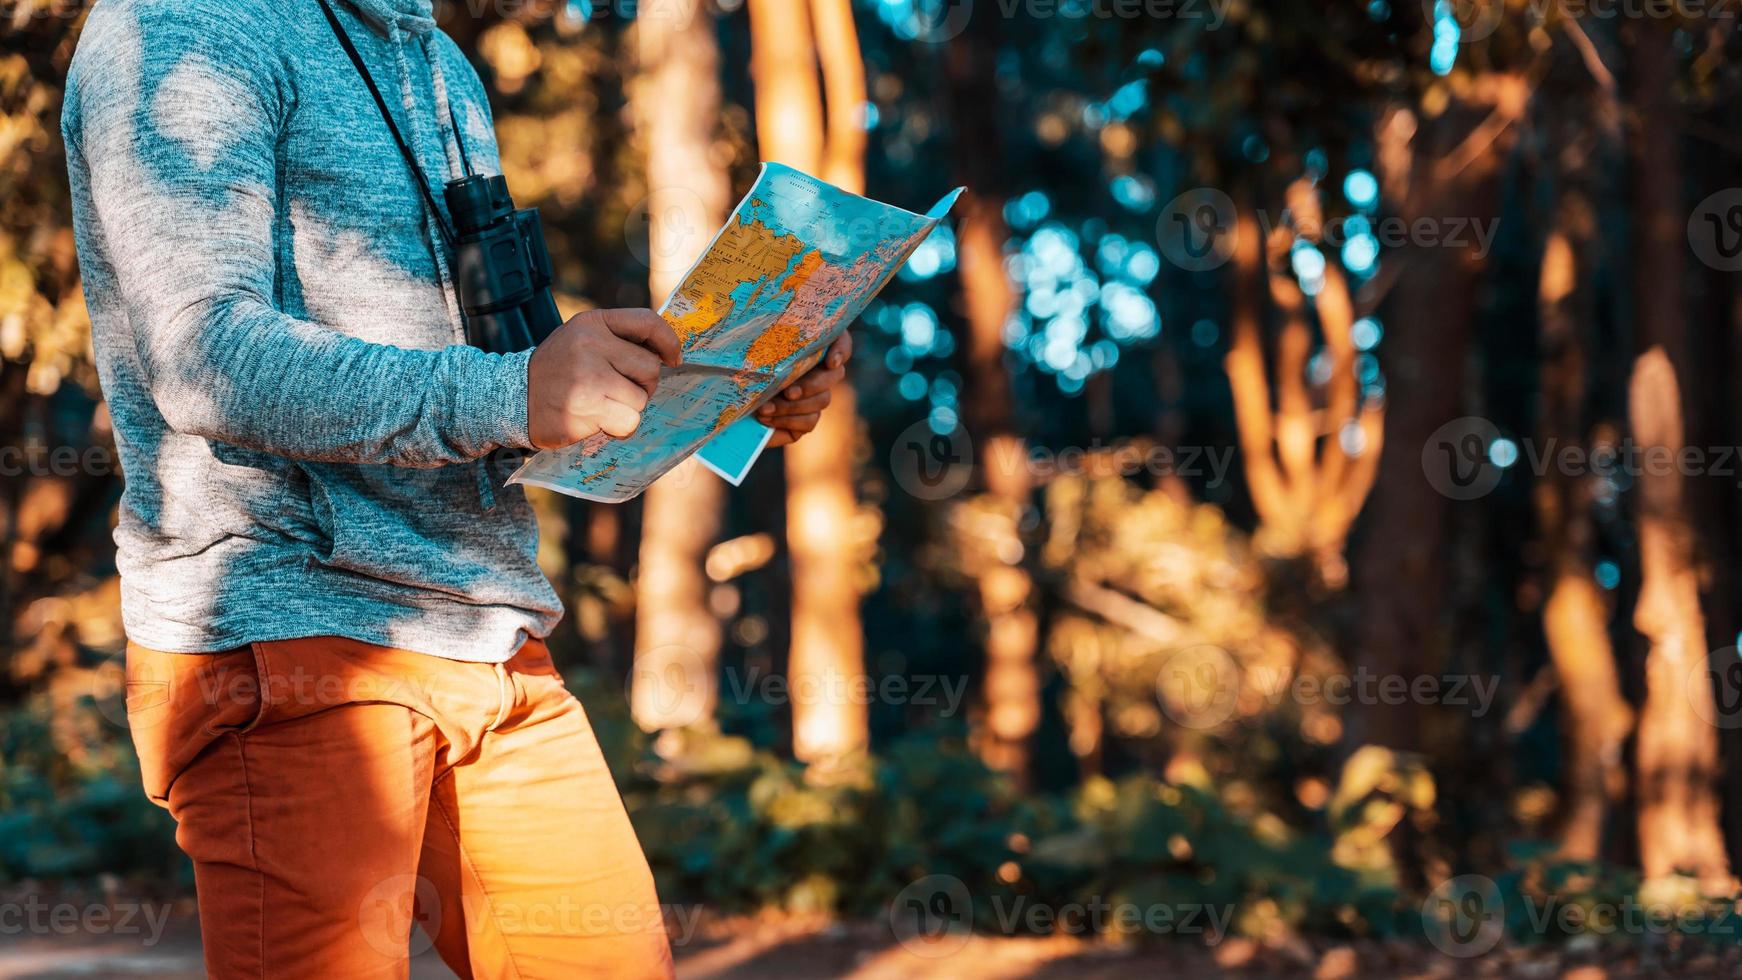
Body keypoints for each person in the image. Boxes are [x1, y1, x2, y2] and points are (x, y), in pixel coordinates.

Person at [61, 0, 849, 975]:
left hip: (490, 630)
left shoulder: (433, 60)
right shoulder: (186, 19)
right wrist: (517, 390)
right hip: (294, 631)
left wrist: (733, 383)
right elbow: (203, 355)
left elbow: (508, 394)